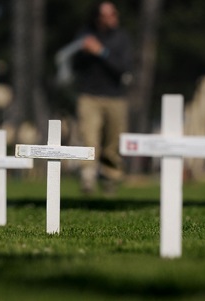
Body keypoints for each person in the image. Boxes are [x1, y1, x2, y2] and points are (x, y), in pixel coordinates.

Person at [72, 1, 134, 195]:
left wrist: (101, 52)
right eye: (108, 15)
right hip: (89, 96)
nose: (112, 18)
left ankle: (110, 180)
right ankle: (88, 178)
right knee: (90, 138)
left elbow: (123, 68)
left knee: (112, 143)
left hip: (115, 97)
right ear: (98, 17)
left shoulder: (122, 38)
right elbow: (74, 66)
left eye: (114, 13)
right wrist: (84, 52)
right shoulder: (85, 35)